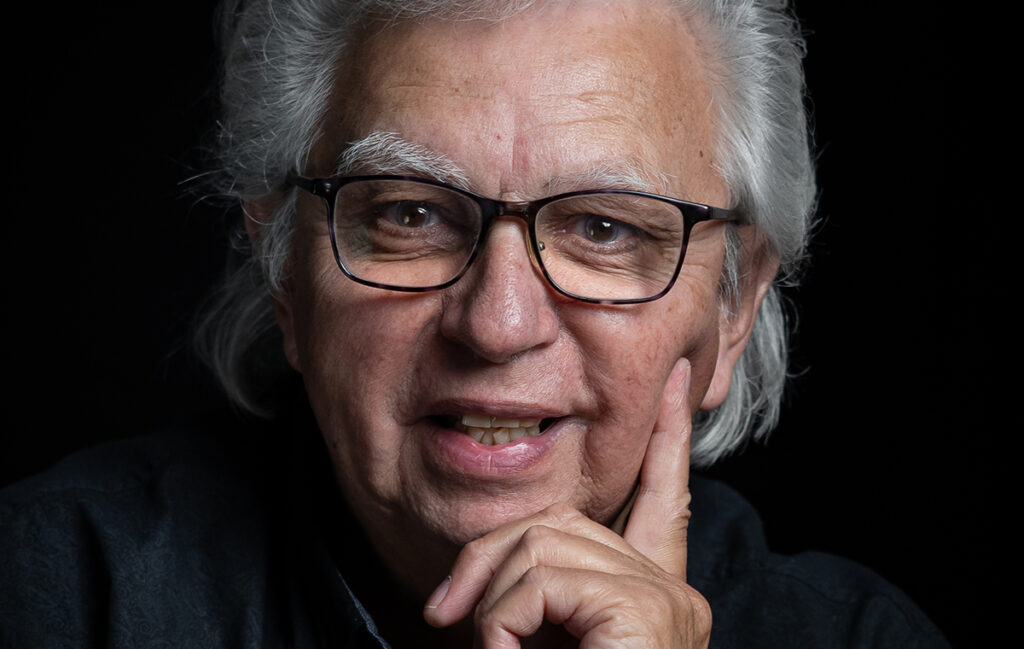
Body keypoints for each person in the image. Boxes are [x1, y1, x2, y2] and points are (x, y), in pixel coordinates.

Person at [0, 0, 952, 647]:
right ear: (285, 273)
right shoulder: (54, 592)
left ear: (733, 306)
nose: (497, 325)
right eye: (410, 212)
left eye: (604, 228)